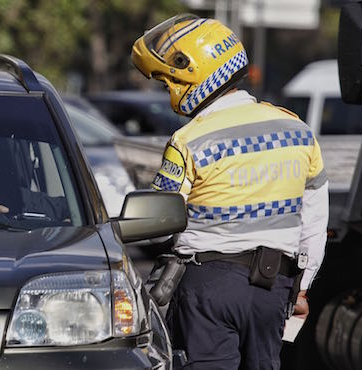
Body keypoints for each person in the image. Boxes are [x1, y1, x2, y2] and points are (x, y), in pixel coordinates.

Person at [131, 15, 328, 369]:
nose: (167, 89)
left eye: (168, 81)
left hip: (208, 286)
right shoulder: (297, 130)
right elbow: (314, 218)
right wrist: (302, 286)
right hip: (274, 287)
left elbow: (159, 219)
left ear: (191, 74)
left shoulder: (189, 140)